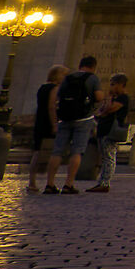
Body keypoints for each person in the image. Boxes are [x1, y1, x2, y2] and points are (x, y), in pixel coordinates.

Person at [50, 55, 101, 194]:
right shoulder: (93, 78)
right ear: (93, 67)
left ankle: (50, 184)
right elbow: (98, 97)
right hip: (83, 119)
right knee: (77, 151)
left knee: (57, 151)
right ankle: (68, 184)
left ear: (80, 65)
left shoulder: (68, 77)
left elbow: (58, 97)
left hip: (65, 118)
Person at [24, 63, 66, 194]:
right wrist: (55, 124)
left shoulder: (42, 87)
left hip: (40, 121)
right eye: (64, 75)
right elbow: (51, 106)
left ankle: (32, 182)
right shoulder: (54, 88)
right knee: (53, 152)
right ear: (57, 75)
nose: (65, 78)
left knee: (37, 152)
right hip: (48, 122)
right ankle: (50, 183)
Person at [87, 74, 130, 193]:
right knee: (105, 157)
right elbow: (101, 111)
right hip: (104, 129)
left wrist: (109, 100)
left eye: (113, 84)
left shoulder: (123, 98)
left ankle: (105, 183)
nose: (110, 87)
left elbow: (109, 109)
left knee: (109, 157)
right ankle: (101, 181)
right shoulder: (114, 98)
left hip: (111, 130)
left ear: (121, 85)